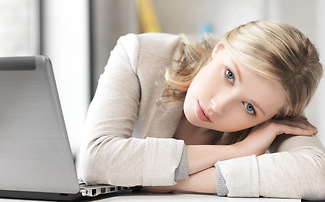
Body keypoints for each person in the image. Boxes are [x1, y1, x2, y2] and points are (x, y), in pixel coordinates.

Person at [79, 20, 325, 200]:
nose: (218, 105)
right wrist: (238, 151)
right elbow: (96, 160)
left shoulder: (277, 111)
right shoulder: (139, 54)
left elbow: (317, 177)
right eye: (229, 75)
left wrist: (179, 181)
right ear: (218, 51)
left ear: (271, 117)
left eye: (249, 107)